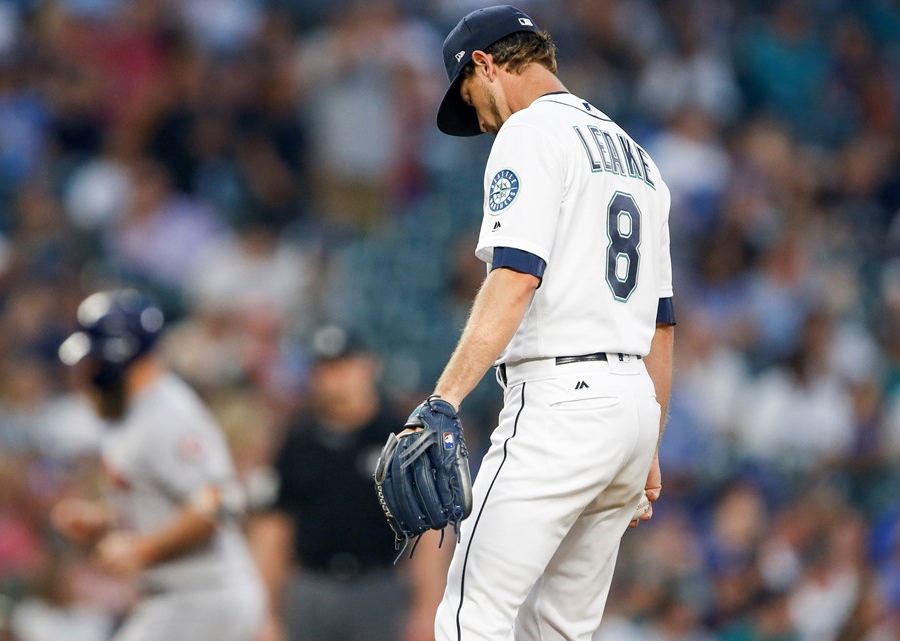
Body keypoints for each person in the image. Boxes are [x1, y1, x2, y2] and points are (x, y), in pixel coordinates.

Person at [419, 6, 676, 641]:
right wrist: (650, 447)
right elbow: (662, 326)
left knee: (470, 612)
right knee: (561, 629)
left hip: (561, 406)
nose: (479, 120)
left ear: (485, 63)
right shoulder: (639, 157)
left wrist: (443, 400)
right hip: (632, 411)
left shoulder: (531, 132)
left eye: (471, 98)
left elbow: (515, 276)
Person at [52, 289, 266, 641]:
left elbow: (218, 502)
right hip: (180, 600)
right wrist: (105, 519)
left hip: (203, 599)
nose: (87, 368)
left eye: (93, 358)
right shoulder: (133, 410)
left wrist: (142, 549)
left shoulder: (167, 416)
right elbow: (165, 500)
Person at [251, 324, 446, 641]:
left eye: (344, 366)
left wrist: (428, 608)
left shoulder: (400, 436)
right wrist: (264, 613)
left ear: (368, 366)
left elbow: (429, 530)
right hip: (310, 586)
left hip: (379, 588)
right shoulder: (297, 441)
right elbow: (273, 529)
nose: (335, 379)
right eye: (325, 369)